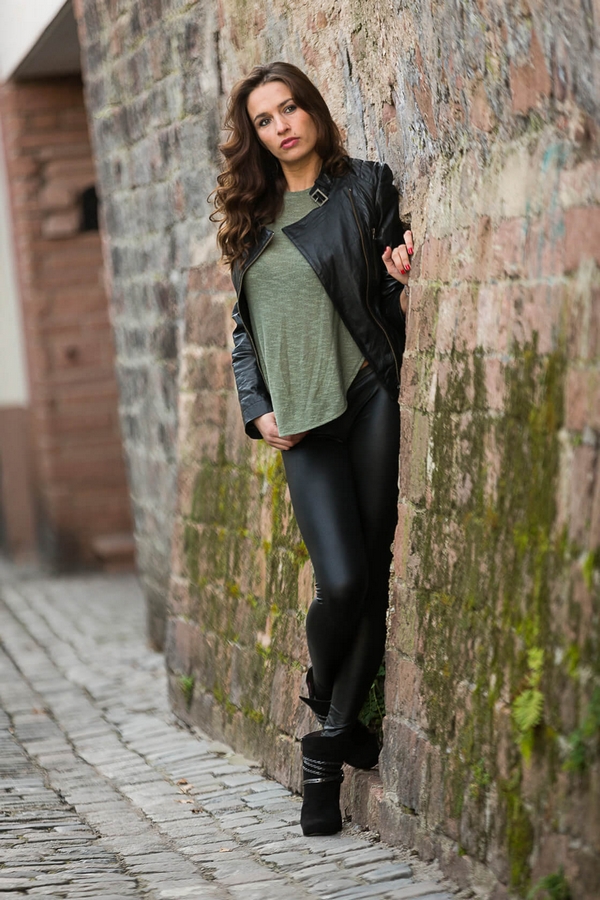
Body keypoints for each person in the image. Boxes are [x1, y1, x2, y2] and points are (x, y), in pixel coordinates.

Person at [210, 61, 413, 836]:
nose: (282, 126)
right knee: (342, 579)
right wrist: (256, 408)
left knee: (371, 573)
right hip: (298, 417)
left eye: (290, 108)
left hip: (365, 396)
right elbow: (243, 328)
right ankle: (331, 703)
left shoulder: (364, 185)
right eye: (264, 119)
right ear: (254, 135)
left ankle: (324, 754)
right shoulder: (247, 214)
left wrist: (401, 271)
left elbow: (385, 286)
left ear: (314, 110)